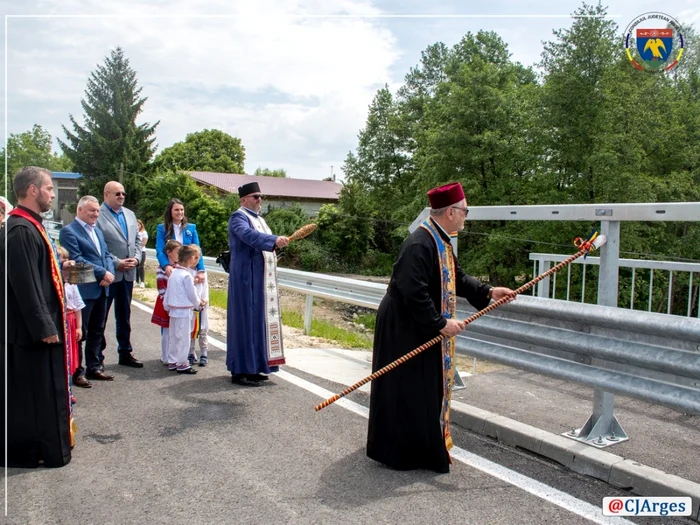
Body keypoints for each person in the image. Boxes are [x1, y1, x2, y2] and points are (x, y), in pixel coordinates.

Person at [366, 182, 515, 474]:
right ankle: (397, 452)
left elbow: (456, 277)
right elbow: (413, 291)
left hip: (419, 323)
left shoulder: (440, 239)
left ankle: (420, 447)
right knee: (404, 388)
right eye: (464, 210)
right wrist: (440, 324)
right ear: (450, 211)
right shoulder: (420, 243)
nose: (465, 216)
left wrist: (488, 291)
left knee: (422, 389)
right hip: (403, 326)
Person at [0, 166, 73, 467]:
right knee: (32, 398)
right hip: (31, 334)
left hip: (36, 329)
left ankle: (45, 447)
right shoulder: (19, 230)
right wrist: (44, 326)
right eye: (49, 189)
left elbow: (37, 273)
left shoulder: (31, 224)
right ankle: (35, 450)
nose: (53, 194)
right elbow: (25, 285)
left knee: (39, 396)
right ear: (33, 190)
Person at [226, 182, 288, 387]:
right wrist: (273, 240)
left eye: (261, 196)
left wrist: (275, 245)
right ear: (244, 200)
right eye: (255, 196)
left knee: (258, 322)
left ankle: (254, 368)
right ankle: (240, 370)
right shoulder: (238, 217)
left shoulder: (260, 219)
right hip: (245, 277)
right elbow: (248, 236)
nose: (259, 200)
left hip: (260, 278)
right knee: (244, 322)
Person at [59, 196, 116, 386]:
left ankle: (94, 366)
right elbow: (76, 258)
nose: (95, 214)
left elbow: (106, 255)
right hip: (83, 289)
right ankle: (77, 371)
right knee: (79, 332)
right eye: (91, 210)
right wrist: (102, 273)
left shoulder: (97, 231)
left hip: (101, 288)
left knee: (97, 330)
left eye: (97, 211)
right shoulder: (69, 231)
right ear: (80, 210)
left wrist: (109, 273)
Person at [97, 181, 144, 368]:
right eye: (117, 194)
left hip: (128, 274)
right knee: (101, 317)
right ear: (106, 194)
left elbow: (138, 241)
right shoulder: (97, 215)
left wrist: (137, 259)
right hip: (108, 274)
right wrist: (117, 262)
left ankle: (125, 352)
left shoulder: (130, 215)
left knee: (124, 315)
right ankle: (97, 356)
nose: (121, 197)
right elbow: (99, 245)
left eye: (123, 193)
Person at [163, 244, 206, 374]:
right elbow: (191, 294)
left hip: (173, 310)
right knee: (183, 337)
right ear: (191, 259)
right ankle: (182, 363)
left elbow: (168, 292)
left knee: (174, 336)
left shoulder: (174, 273)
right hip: (184, 310)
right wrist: (199, 303)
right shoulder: (186, 276)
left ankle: (172, 360)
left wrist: (166, 305)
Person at [57, 246, 85, 403]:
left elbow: (78, 307)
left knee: (70, 357)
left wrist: (79, 327)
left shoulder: (72, 284)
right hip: (60, 322)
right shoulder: (53, 283)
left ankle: (68, 390)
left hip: (71, 321)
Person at [155, 198, 205, 284]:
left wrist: (201, 270)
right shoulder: (162, 228)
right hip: (171, 268)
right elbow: (160, 250)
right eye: (176, 210)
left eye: (182, 209)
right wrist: (166, 266)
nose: (180, 212)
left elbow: (197, 250)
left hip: (188, 267)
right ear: (170, 211)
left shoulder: (191, 228)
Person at [151, 239, 182, 365]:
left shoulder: (178, 268)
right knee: (167, 330)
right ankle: (165, 356)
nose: (179, 255)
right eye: (177, 252)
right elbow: (161, 288)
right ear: (169, 252)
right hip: (166, 302)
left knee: (175, 330)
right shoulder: (161, 269)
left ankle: (173, 354)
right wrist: (168, 302)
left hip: (176, 302)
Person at [189, 270, 210, 367]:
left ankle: (204, 353)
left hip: (202, 308)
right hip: (191, 307)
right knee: (191, 332)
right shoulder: (187, 271)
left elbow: (206, 289)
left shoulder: (203, 273)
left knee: (202, 331)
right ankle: (191, 353)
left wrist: (205, 300)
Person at [136, 219, 148, 288]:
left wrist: (138, 248)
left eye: (139, 225)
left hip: (142, 251)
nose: (137, 226)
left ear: (141, 225)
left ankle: (142, 281)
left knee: (141, 266)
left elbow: (144, 242)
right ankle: (136, 281)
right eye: (136, 225)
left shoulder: (144, 233)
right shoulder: (134, 233)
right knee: (136, 267)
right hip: (136, 251)